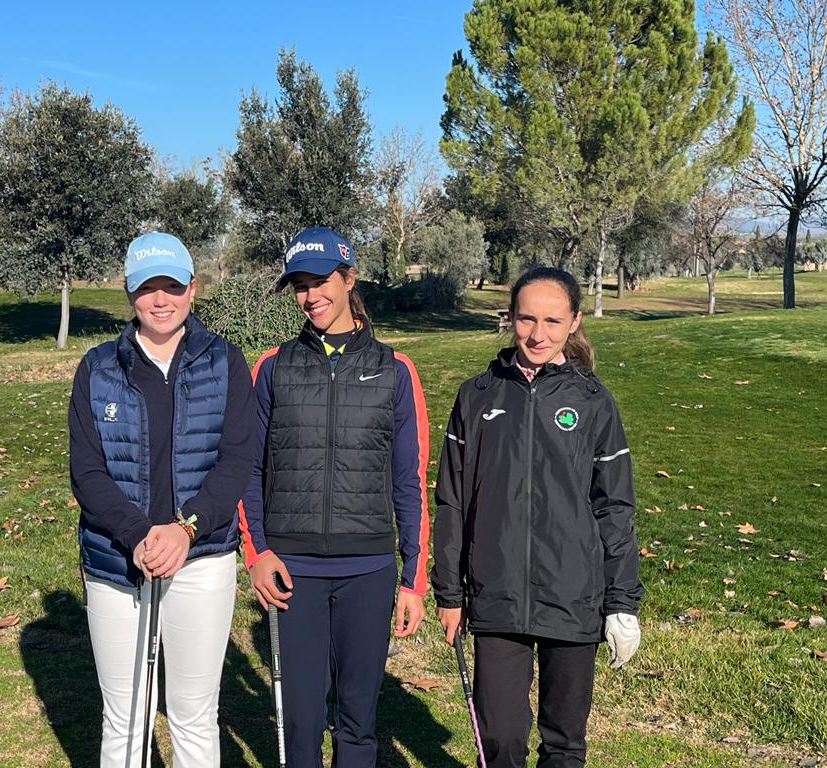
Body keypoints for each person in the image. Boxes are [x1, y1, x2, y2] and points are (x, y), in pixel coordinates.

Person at [432, 266, 643, 768]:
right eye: (526, 319)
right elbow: (452, 501)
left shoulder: (594, 402)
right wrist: (449, 592)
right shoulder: (477, 395)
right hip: (496, 594)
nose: (537, 334)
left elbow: (614, 507)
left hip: (573, 595)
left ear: (574, 322)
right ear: (510, 318)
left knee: (564, 744)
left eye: (553, 321)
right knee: (501, 739)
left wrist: (622, 603)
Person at [239, 226, 431, 768]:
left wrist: (412, 581)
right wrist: (257, 554)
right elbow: (248, 469)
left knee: (357, 721)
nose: (310, 296)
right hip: (291, 570)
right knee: (301, 721)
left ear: (349, 278)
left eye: (320, 281)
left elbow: (410, 481)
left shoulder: (396, 370)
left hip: (368, 570)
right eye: (299, 285)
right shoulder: (272, 367)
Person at [68, 231, 255, 768]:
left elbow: (236, 460)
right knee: (126, 717)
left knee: (194, 714)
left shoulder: (225, 361)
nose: (160, 300)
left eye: (172, 286)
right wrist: (137, 534)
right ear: (130, 292)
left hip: (201, 558)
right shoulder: (97, 368)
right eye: (147, 287)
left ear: (192, 288)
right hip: (117, 562)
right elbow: (87, 472)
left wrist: (185, 528)